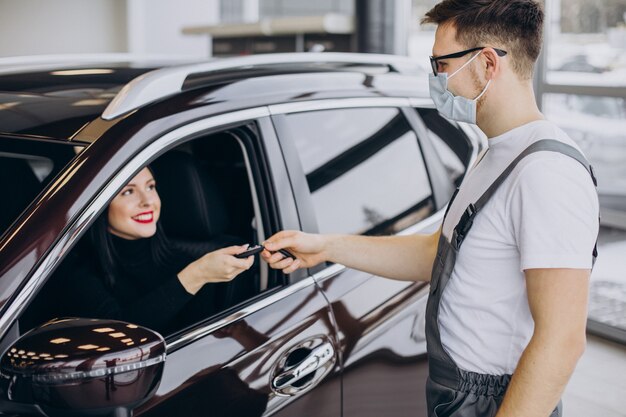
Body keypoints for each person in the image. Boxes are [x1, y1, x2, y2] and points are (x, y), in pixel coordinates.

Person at [261, 1, 599, 416]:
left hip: (495, 402)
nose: (436, 79)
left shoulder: (546, 172)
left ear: (487, 63)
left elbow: (562, 340)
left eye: (441, 64)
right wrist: (326, 246)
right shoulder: (497, 153)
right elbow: (439, 255)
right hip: (457, 391)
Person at [53, 166, 255, 334]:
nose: (147, 201)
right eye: (128, 191)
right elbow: (118, 335)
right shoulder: (74, 268)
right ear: (99, 205)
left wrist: (198, 274)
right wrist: (196, 274)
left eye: (150, 187)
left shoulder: (185, 261)